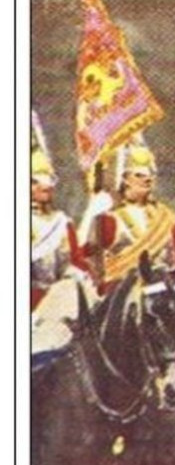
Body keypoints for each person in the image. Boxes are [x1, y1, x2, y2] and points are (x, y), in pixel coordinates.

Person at [79, 133, 175, 293]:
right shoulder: (108, 220)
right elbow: (90, 260)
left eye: (150, 175)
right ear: (125, 179)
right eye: (139, 175)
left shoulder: (167, 218)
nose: (147, 179)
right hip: (120, 293)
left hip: (164, 290)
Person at [29, 110, 90, 315]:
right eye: (34, 181)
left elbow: (73, 264)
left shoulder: (62, 223)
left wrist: (79, 277)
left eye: (47, 180)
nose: (44, 186)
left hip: (57, 305)